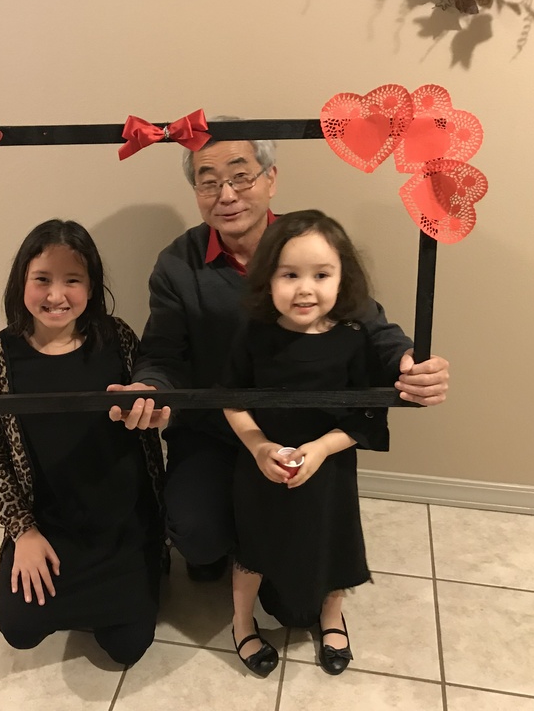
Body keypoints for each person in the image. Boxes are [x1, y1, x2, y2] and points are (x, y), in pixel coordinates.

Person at [107, 135, 449, 585]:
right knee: (197, 535)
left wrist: (407, 359)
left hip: (299, 427)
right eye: (209, 182)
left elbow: (369, 324)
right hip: (213, 428)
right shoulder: (177, 263)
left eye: (240, 176)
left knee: (304, 536)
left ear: (271, 179)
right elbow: (163, 352)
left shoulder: (312, 244)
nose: (226, 195)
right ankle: (226, 546)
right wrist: (149, 387)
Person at [0, 219, 165, 666]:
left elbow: (150, 414)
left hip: (120, 525)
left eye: (72, 280)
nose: (56, 295)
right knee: (20, 631)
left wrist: (153, 411)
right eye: (42, 279)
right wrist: (22, 531)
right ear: (22, 281)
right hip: (47, 524)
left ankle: (144, 572)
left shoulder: (118, 338)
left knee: (127, 647)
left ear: (92, 286)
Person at [222, 209, 393, 677]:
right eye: (289, 275)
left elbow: (366, 415)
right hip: (260, 462)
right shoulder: (253, 334)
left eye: (321, 275)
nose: (305, 289)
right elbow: (231, 401)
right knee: (254, 545)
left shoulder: (353, 339)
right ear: (267, 278)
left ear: (343, 278)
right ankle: (241, 621)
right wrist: (260, 447)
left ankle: (332, 615)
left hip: (330, 465)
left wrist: (321, 448)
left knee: (333, 539)